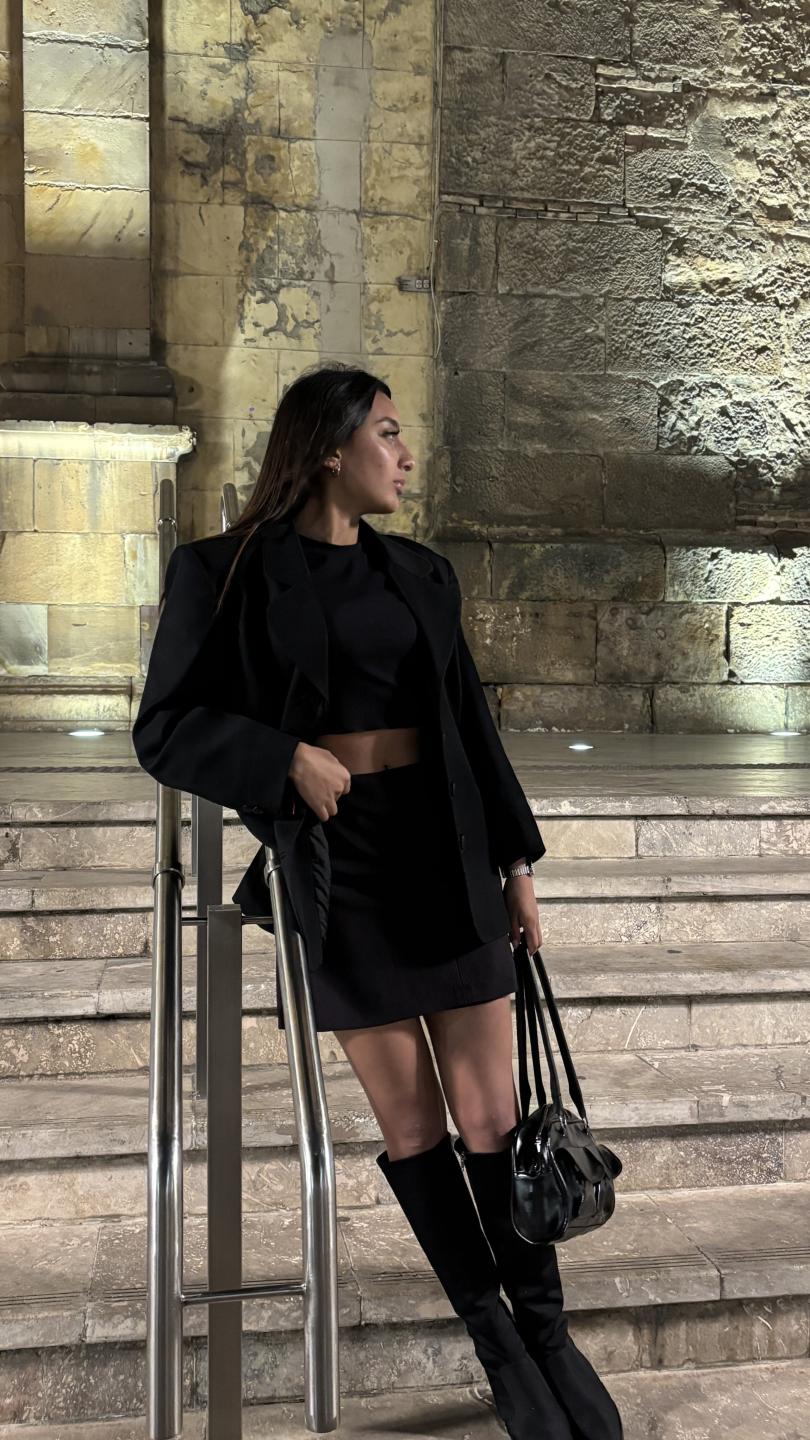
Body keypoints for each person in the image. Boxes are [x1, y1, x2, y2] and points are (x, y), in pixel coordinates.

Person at [133, 363, 623, 1440]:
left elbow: (471, 727)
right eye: (387, 433)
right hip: (338, 872)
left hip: (445, 856)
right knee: (415, 1128)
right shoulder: (222, 573)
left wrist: (518, 866)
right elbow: (162, 728)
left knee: (494, 1120)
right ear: (328, 448)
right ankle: (497, 1347)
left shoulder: (421, 574)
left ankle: (548, 1336)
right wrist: (281, 760)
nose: (405, 455)